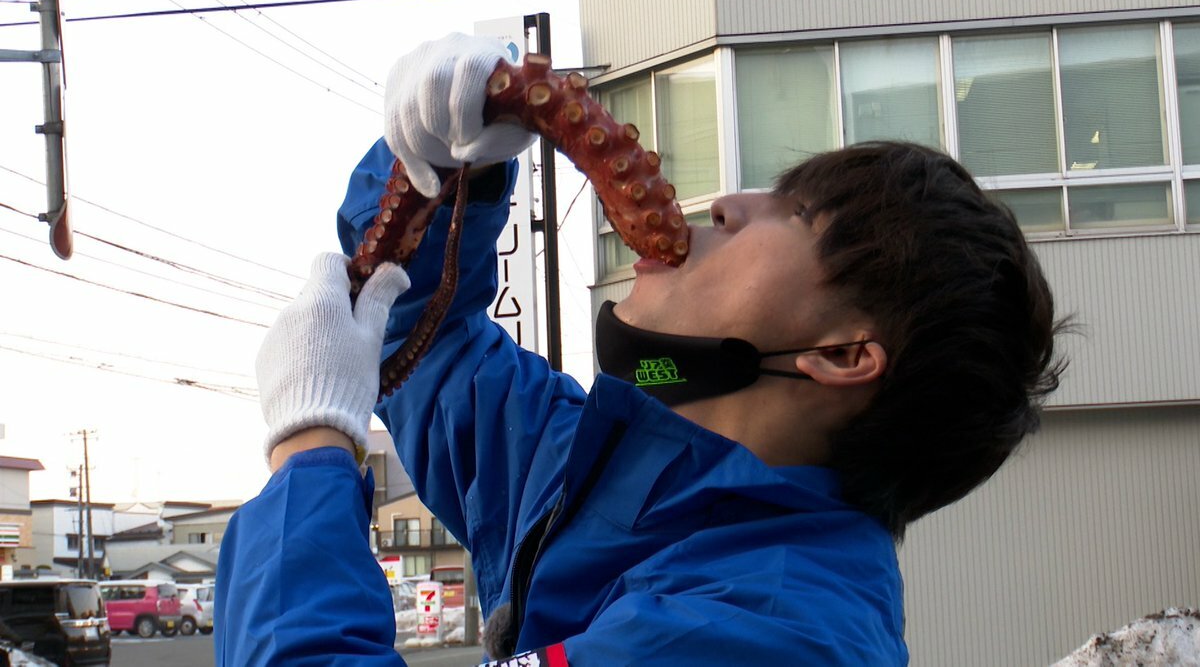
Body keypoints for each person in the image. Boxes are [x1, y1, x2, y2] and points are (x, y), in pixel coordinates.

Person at [215, 33, 1064, 666]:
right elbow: (419, 342)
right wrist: (443, 166)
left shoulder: (780, 634)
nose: (729, 203)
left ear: (843, 356)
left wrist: (310, 453)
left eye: (798, 213)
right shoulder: (590, 469)